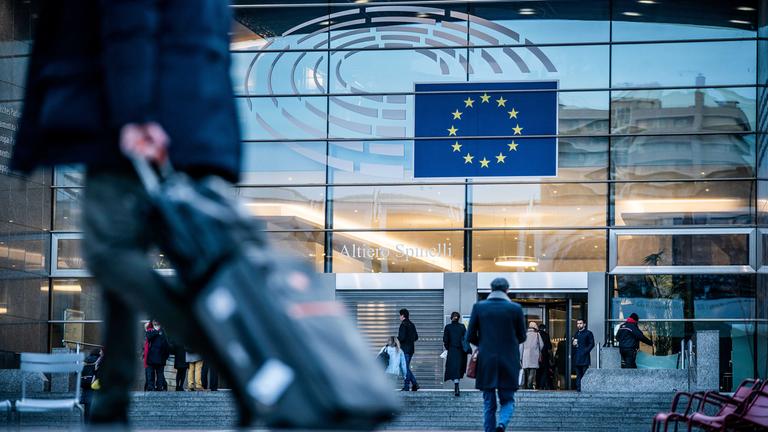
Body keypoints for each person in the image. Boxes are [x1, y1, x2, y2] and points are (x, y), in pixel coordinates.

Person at [10, 0, 241, 424]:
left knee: (108, 255)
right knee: (126, 267)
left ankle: (207, 337)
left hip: (130, 132)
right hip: (193, 130)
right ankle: (114, 399)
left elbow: (130, 25)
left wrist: (134, 116)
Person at [466, 278, 527, 432]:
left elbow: (470, 336)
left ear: (491, 289)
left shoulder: (479, 307)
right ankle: (502, 424)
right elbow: (522, 336)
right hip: (509, 360)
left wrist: (484, 345)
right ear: (507, 290)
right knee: (508, 400)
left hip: (486, 360)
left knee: (489, 403)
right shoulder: (515, 308)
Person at [443, 311, 468, 396]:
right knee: (458, 369)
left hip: (452, 350)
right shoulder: (462, 327)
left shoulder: (448, 327)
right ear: (459, 318)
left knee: (453, 369)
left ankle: (456, 386)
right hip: (461, 351)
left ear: (451, 318)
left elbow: (445, 340)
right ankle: (457, 386)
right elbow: (466, 338)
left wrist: (448, 348)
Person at [398, 308, 420, 392]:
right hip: (411, 349)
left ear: (403, 315)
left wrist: (396, 340)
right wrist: (410, 340)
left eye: (400, 315)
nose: (399, 317)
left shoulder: (403, 325)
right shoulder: (412, 324)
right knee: (406, 367)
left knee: (405, 368)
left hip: (404, 350)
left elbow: (402, 338)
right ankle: (414, 384)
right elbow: (416, 337)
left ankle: (407, 386)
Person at [145, 320, 170, 391]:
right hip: (153, 358)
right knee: (153, 374)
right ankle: (152, 387)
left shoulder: (162, 331)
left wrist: (165, 356)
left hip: (159, 358)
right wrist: (157, 331)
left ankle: (157, 388)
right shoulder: (152, 331)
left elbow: (166, 345)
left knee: (159, 375)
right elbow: (148, 336)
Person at [572, 319, 595, 391]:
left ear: (584, 324)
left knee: (585, 374)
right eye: (578, 323)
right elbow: (574, 345)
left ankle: (585, 388)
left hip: (584, 357)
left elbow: (592, 344)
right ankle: (578, 388)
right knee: (578, 375)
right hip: (577, 357)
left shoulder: (588, 333)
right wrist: (573, 344)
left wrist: (585, 351)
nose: (579, 325)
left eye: (580, 323)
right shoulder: (576, 333)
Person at [80, 348, 102, 421]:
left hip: (84, 385)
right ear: (99, 352)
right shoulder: (99, 360)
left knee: (87, 407)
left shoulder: (85, 360)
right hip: (94, 385)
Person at [520, 322, 543, 390]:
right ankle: (529, 385)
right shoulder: (537, 335)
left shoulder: (524, 335)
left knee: (526, 371)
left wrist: (520, 357)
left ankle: (525, 385)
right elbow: (541, 345)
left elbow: (521, 347)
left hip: (525, 355)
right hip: (534, 355)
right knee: (532, 371)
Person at [536, 323, 554, 390]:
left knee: (538, 371)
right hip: (544, 356)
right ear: (544, 329)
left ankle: (537, 385)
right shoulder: (546, 335)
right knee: (544, 371)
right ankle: (541, 385)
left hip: (537, 356)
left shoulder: (536, 335)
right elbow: (549, 346)